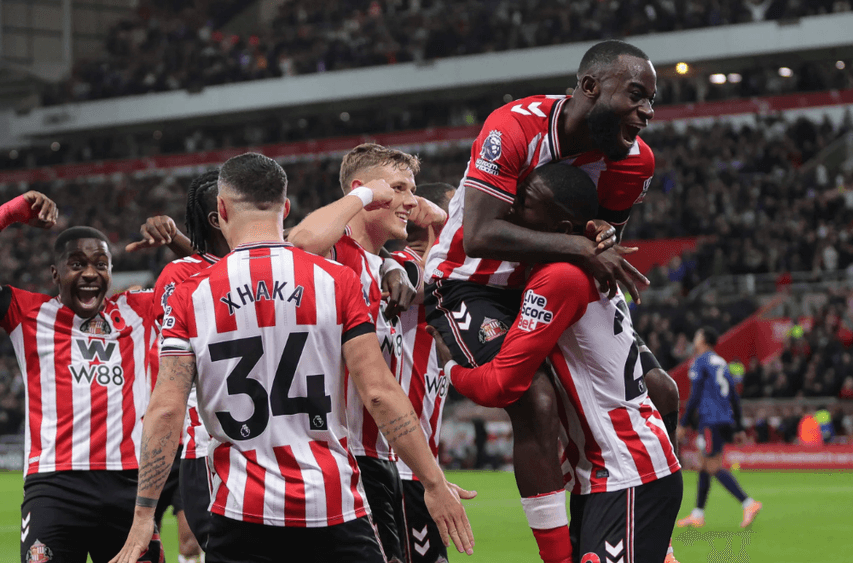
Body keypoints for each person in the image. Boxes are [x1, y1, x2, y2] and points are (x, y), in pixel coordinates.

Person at [109, 152, 475, 563]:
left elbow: (165, 410)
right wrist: (433, 481)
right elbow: (378, 392)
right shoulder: (335, 279)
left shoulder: (190, 293)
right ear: (285, 209)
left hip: (240, 505)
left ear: (222, 210)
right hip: (331, 498)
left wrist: (144, 514)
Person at [423, 39, 679, 563]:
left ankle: (648, 531)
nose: (647, 112)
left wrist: (596, 241)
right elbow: (479, 234)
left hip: (548, 279)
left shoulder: (633, 162)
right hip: (471, 282)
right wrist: (583, 248)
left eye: (651, 101)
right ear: (590, 86)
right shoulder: (514, 127)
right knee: (535, 401)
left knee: (661, 389)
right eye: (636, 95)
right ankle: (558, 556)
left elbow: (600, 243)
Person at [0, 191, 164, 563]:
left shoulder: (141, 309)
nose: (90, 273)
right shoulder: (28, 313)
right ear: (56, 274)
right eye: (77, 264)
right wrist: (5, 215)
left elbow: (210, 280)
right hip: (55, 487)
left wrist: (176, 239)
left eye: (101, 264)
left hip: (128, 485)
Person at [287, 143, 447, 563]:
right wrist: (361, 196)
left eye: (413, 191)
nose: (410, 201)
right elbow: (300, 240)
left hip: (379, 459)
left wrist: (436, 217)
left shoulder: (388, 269)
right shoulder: (336, 256)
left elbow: (455, 265)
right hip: (342, 457)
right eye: (398, 188)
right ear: (365, 189)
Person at [127, 169, 229, 563]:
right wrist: (180, 242)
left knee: (198, 542)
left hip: (238, 438)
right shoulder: (180, 276)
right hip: (187, 435)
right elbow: (210, 273)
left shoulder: (266, 263)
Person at [389, 182, 456, 563]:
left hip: (418, 468)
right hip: (400, 468)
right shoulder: (404, 262)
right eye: (452, 211)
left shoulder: (445, 273)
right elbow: (408, 287)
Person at [676, 327, 763, 529]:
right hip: (724, 419)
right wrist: (739, 426)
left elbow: (695, 395)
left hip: (711, 419)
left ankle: (748, 503)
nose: (695, 338)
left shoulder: (700, 361)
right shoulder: (721, 362)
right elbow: (734, 396)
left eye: (697, 335)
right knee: (704, 464)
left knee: (713, 466)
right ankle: (698, 514)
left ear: (703, 340)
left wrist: (684, 423)